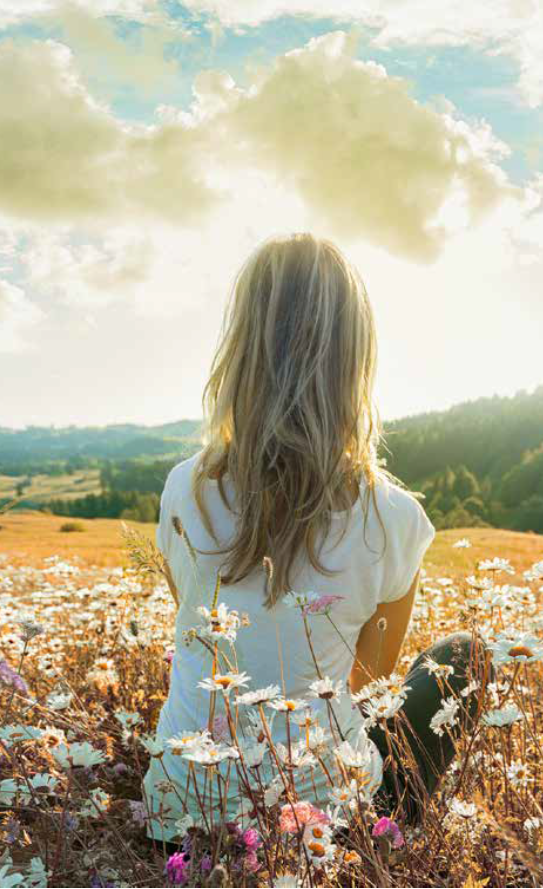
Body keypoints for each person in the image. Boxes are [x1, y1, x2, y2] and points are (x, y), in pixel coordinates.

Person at [141, 233, 491, 853]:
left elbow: (199, 627)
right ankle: (386, 820)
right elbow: (361, 682)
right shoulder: (394, 518)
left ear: (239, 351)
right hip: (323, 816)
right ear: (357, 361)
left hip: (178, 808)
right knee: (465, 654)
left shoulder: (184, 490)